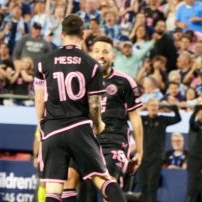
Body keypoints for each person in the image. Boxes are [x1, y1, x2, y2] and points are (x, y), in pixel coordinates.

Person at [33, 14, 127, 202]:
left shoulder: (44, 61)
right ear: (83, 35)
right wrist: (98, 123)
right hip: (79, 127)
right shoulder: (92, 64)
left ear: (62, 35)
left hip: (52, 129)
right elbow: (94, 105)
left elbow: (39, 99)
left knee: (53, 187)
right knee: (103, 178)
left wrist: (42, 125)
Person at [63, 35, 144, 201]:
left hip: (114, 140)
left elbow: (135, 118)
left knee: (107, 183)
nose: (101, 55)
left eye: (105, 51)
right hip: (86, 139)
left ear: (113, 56)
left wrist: (140, 151)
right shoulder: (80, 80)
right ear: (91, 55)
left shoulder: (125, 81)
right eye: (97, 51)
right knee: (69, 178)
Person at [140, 99, 181, 202]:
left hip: (156, 159)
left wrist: (173, 107)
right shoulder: (142, 119)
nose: (153, 108)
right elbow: (127, 116)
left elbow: (178, 118)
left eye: (155, 106)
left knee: (152, 186)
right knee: (143, 185)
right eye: (151, 106)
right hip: (143, 158)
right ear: (147, 107)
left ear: (158, 108)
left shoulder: (162, 119)